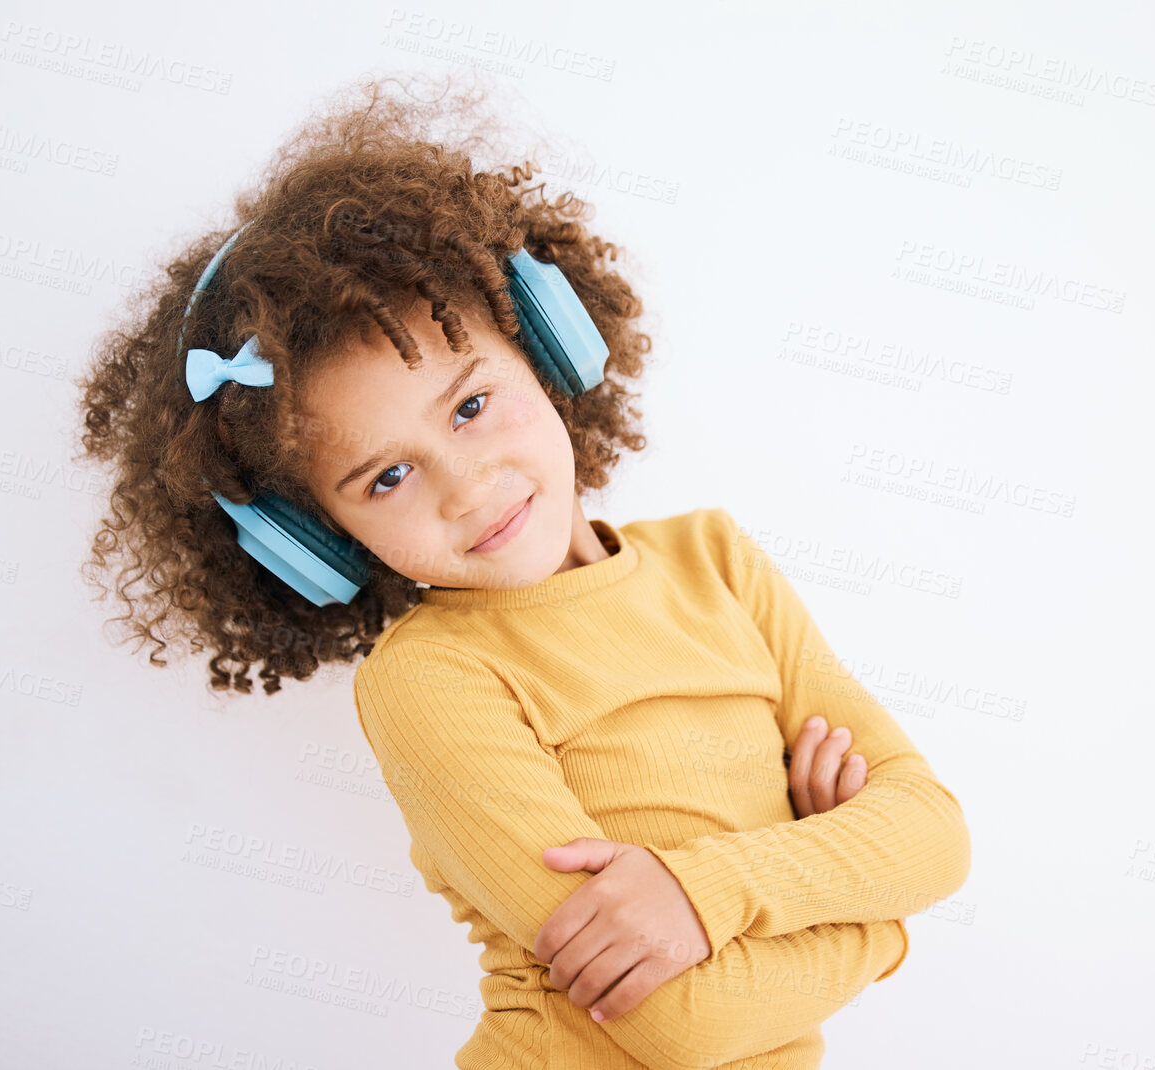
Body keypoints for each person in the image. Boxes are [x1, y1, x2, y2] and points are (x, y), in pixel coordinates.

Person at [74, 72, 972, 1069]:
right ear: (317, 538)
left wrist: (706, 891)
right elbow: (685, 1021)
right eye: (388, 476)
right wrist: (877, 918)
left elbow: (932, 833)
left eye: (468, 406)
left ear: (547, 344)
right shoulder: (430, 678)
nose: (466, 490)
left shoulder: (715, 558)